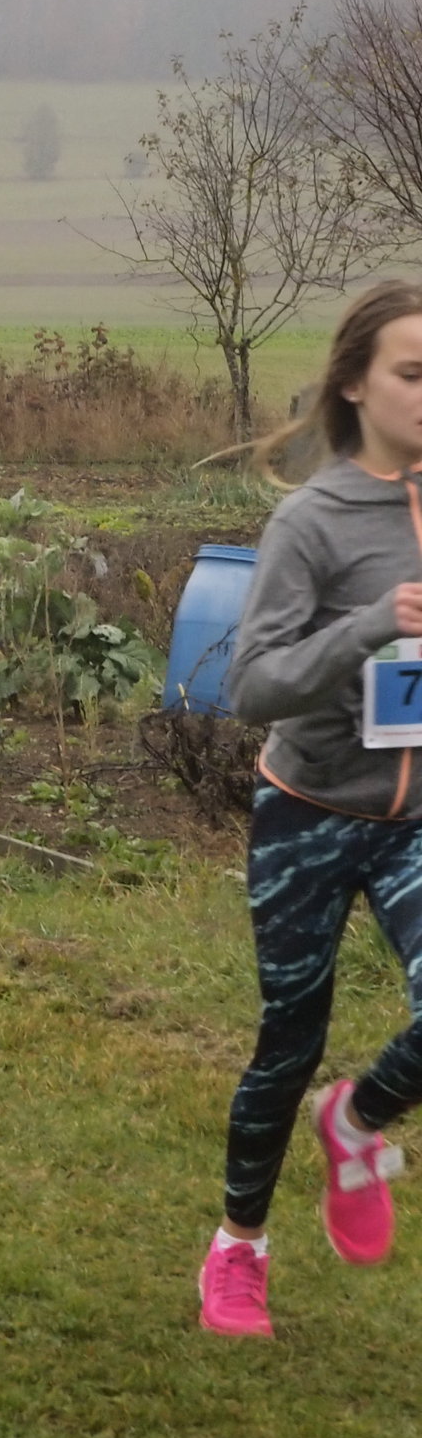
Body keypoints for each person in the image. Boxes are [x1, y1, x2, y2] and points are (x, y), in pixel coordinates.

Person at [202, 278, 422, 1340]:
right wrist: (370, 625)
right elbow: (252, 687)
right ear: (355, 384)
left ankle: (360, 1119)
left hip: (416, 821)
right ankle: (238, 1246)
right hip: (310, 814)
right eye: (413, 373)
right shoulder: (312, 520)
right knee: (290, 1040)